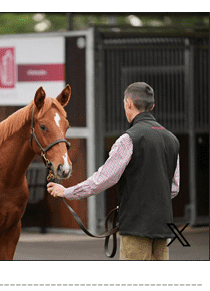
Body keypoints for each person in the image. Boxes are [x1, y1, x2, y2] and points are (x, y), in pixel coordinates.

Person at [47, 80, 180, 261]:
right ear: (152, 106)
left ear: (128, 103)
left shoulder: (128, 139)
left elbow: (102, 180)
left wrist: (67, 192)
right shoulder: (172, 139)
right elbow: (173, 188)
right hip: (163, 228)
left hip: (135, 228)